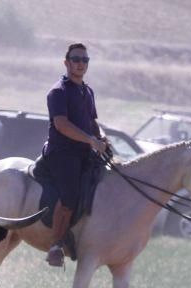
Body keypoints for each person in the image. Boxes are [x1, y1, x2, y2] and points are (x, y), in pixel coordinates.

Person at [42, 43, 109, 267]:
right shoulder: (58, 92)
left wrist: (101, 138)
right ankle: (55, 246)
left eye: (85, 60)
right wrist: (90, 140)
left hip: (84, 152)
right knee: (69, 196)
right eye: (76, 59)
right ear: (67, 62)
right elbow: (61, 124)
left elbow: (92, 121)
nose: (81, 63)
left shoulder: (87, 91)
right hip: (62, 153)